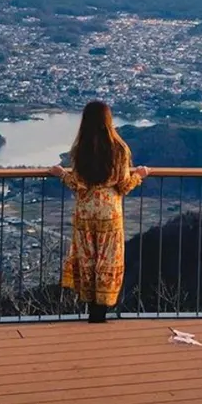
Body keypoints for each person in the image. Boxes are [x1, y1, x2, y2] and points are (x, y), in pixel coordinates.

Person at [49, 100, 149, 322]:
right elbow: (123, 186)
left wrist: (61, 174)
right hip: (110, 212)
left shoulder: (80, 149)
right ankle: (100, 312)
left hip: (85, 211)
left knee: (87, 259)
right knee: (107, 261)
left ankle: (89, 307)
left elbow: (78, 184)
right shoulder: (119, 149)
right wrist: (139, 176)